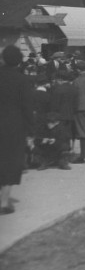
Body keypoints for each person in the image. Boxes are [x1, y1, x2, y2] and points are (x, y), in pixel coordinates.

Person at [0, 46, 35, 214]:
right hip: (14, 125)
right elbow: (28, 107)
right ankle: (4, 202)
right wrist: (31, 131)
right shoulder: (23, 80)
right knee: (11, 162)